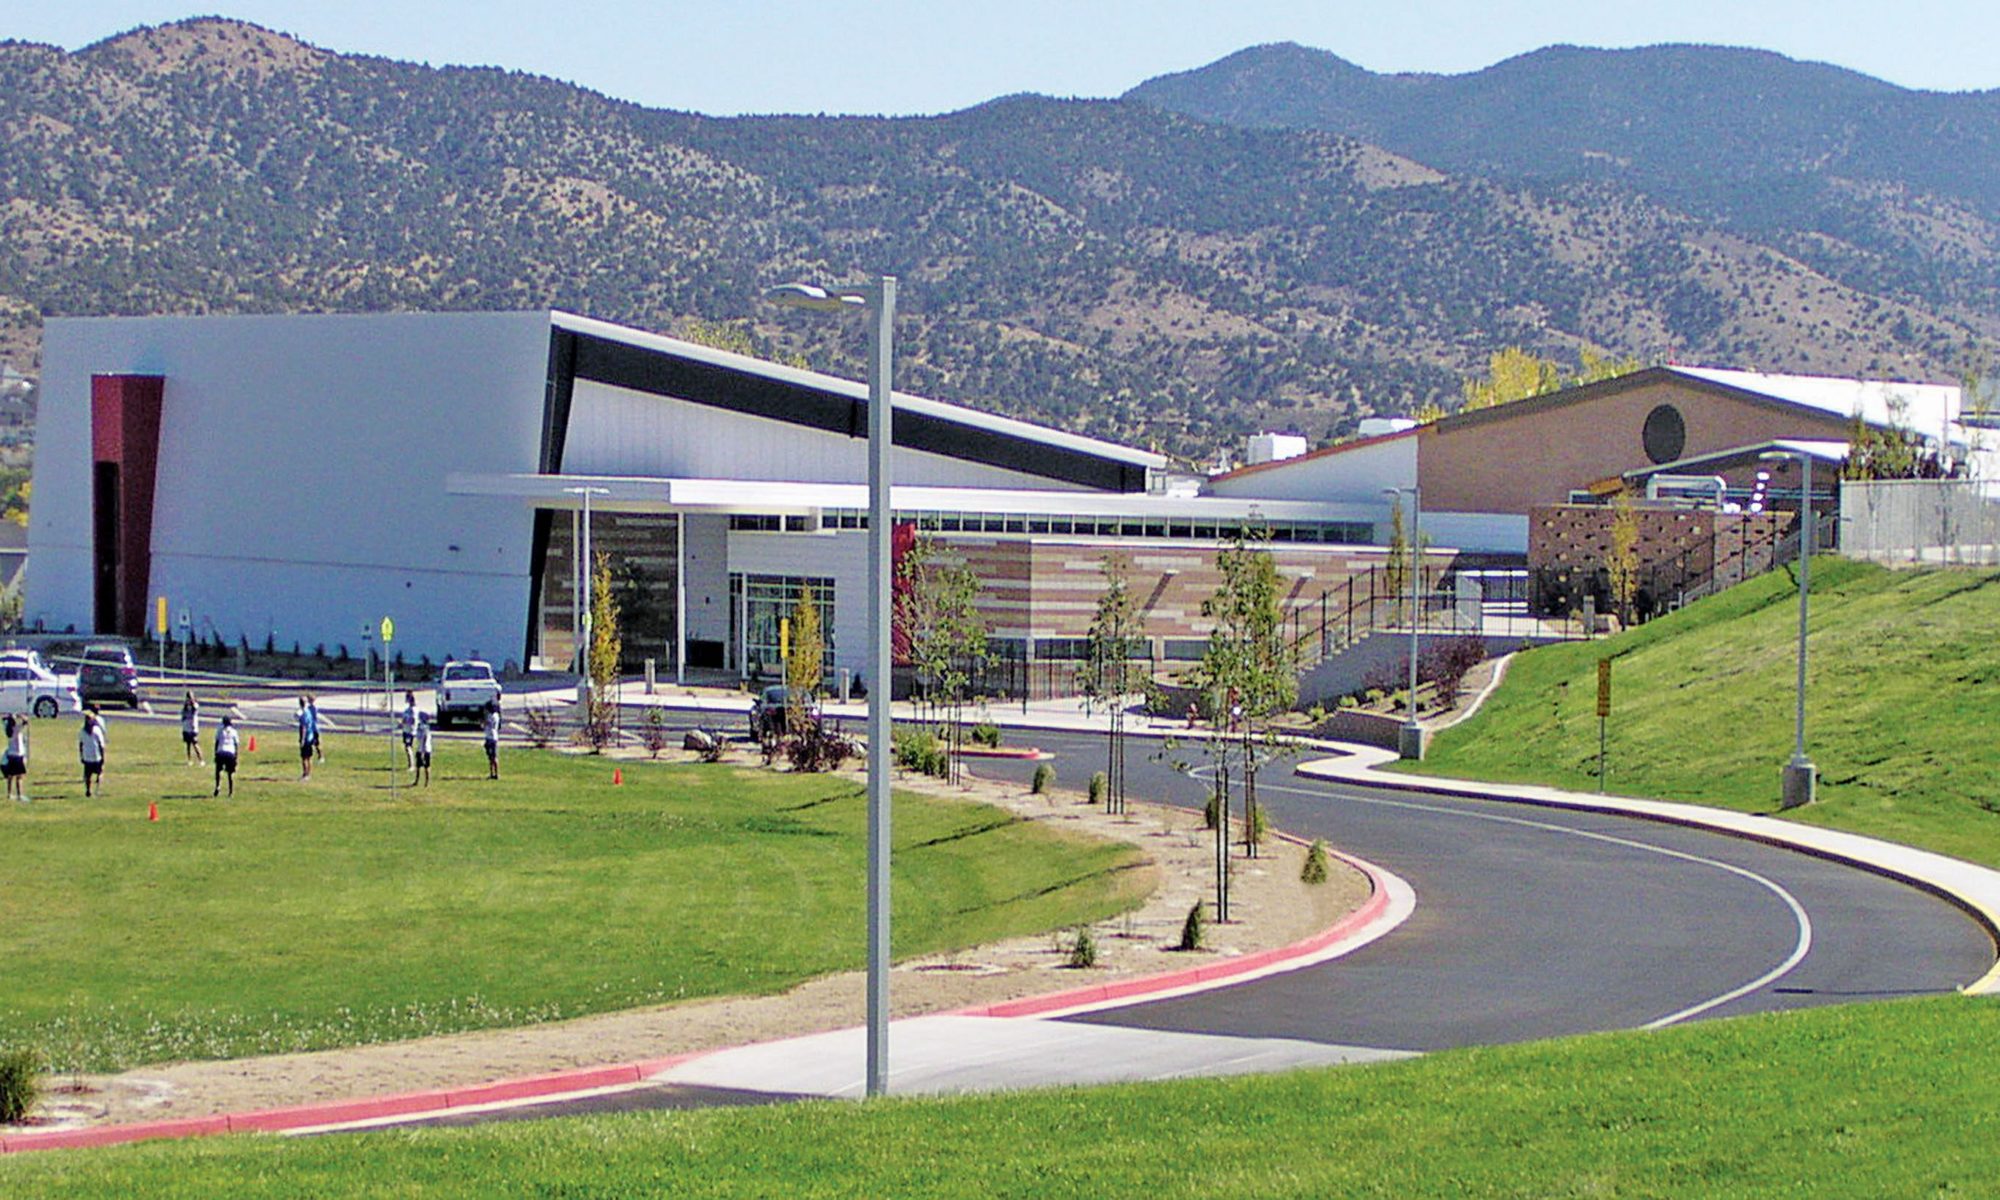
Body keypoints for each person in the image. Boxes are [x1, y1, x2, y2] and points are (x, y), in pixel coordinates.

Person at [78, 706, 107, 797]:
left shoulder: (82, 731)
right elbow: (101, 744)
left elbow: (81, 744)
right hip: (96, 756)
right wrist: (103, 756)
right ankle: (96, 790)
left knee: (88, 775)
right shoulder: (96, 730)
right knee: (99, 773)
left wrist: (82, 755)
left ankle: (88, 790)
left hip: (87, 756)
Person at [214, 715, 240, 797]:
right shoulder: (234, 731)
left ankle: (218, 786)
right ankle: (230, 792)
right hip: (230, 752)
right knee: (230, 774)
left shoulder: (219, 730)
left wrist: (215, 753)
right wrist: (236, 756)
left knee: (218, 771)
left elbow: (217, 742)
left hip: (221, 751)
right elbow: (236, 744)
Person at [3, 713, 27, 802]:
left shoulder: (7, 730)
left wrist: (9, 716)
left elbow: (3, 719)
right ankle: (19, 795)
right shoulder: (16, 729)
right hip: (18, 755)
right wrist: (19, 715)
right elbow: (26, 721)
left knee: (10, 776)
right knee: (19, 777)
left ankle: (9, 794)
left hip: (10, 754)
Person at [296, 696, 317, 780]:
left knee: (304, 757)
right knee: (309, 757)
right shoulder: (308, 711)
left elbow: (303, 727)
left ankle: (305, 774)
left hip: (306, 737)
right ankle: (309, 774)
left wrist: (302, 739)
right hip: (311, 736)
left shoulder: (303, 713)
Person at [180, 692, 203, 764]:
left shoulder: (195, 705)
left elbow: (194, 710)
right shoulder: (185, 706)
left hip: (193, 727)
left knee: (195, 743)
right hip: (186, 727)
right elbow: (183, 715)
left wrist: (191, 703)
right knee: (188, 745)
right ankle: (189, 760)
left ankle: (201, 760)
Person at [413, 711, 434, 786]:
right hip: (423, 748)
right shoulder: (425, 727)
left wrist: (422, 751)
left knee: (425, 766)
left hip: (423, 749)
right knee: (420, 766)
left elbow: (424, 738)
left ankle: (425, 781)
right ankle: (419, 781)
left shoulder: (423, 728)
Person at [482, 700, 501, 780]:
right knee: (491, 757)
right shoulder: (496, 715)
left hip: (490, 737)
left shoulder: (490, 716)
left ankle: (495, 773)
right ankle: (493, 773)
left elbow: (485, 723)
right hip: (493, 736)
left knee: (492, 756)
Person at [399, 690, 418, 769]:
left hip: (410, 731)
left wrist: (405, 722)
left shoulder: (413, 710)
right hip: (405, 730)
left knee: (408, 747)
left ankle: (411, 765)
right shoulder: (407, 709)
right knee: (407, 747)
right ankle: (410, 763)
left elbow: (413, 720)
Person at [308, 695, 325, 763]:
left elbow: (313, 718)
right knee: (310, 743)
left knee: (317, 744)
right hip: (311, 728)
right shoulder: (309, 707)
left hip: (314, 728)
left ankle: (321, 757)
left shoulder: (314, 708)